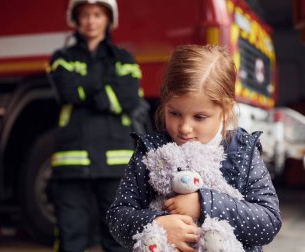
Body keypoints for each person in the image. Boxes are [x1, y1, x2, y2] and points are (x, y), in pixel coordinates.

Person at [106, 44, 282, 252]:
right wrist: (157, 224)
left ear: (225, 110)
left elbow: (268, 222)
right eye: (174, 113)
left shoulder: (243, 151)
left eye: (199, 117)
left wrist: (205, 204)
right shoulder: (150, 151)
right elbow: (117, 217)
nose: (184, 128)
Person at [47, 0, 141, 251]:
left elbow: (130, 97)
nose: (91, 20)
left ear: (108, 19)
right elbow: (68, 91)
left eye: (97, 14)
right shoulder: (62, 58)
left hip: (114, 162)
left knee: (117, 235)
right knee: (70, 234)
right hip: (72, 160)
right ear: (76, 20)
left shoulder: (124, 58)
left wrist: (85, 87)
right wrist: (107, 90)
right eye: (85, 14)